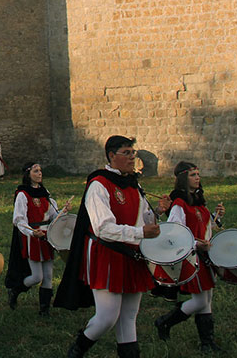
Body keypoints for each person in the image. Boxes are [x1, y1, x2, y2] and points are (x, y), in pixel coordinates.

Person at [54, 135, 171, 358]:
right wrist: (140, 233)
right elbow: (103, 228)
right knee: (107, 317)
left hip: (131, 254)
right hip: (107, 254)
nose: (132, 157)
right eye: (126, 153)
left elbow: (142, 220)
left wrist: (157, 211)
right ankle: (78, 348)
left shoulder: (133, 184)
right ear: (111, 155)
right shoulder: (99, 184)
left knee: (129, 315)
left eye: (133, 153)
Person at [154, 161, 225, 352]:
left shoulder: (197, 199)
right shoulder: (179, 203)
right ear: (183, 178)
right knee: (201, 300)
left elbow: (203, 225)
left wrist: (217, 217)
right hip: (191, 256)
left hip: (205, 255)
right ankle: (165, 321)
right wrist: (196, 244)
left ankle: (207, 343)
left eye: (198, 174)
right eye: (193, 175)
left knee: (206, 298)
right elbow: (175, 234)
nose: (197, 178)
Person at [5, 163, 70, 316]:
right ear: (28, 174)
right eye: (36, 171)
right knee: (36, 277)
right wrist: (31, 232)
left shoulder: (44, 193)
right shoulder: (23, 194)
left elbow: (53, 217)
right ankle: (15, 290)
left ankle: (44, 310)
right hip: (32, 238)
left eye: (40, 171)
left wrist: (63, 211)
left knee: (48, 276)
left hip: (47, 237)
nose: (39, 173)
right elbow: (19, 220)